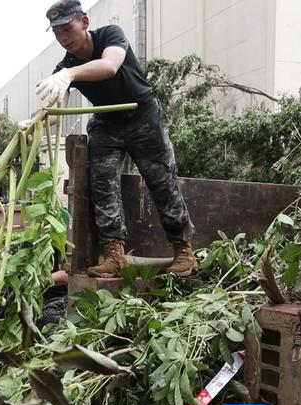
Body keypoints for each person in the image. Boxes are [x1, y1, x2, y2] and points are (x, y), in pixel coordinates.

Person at [30, 0, 196, 278]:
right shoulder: (65, 66)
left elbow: (109, 66)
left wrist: (69, 74)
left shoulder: (111, 35)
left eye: (67, 29)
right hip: (107, 124)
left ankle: (183, 251)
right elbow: (57, 112)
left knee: (161, 181)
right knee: (102, 184)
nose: (63, 38)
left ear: (84, 22)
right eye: (57, 33)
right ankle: (113, 254)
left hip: (142, 115)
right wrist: (35, 121)